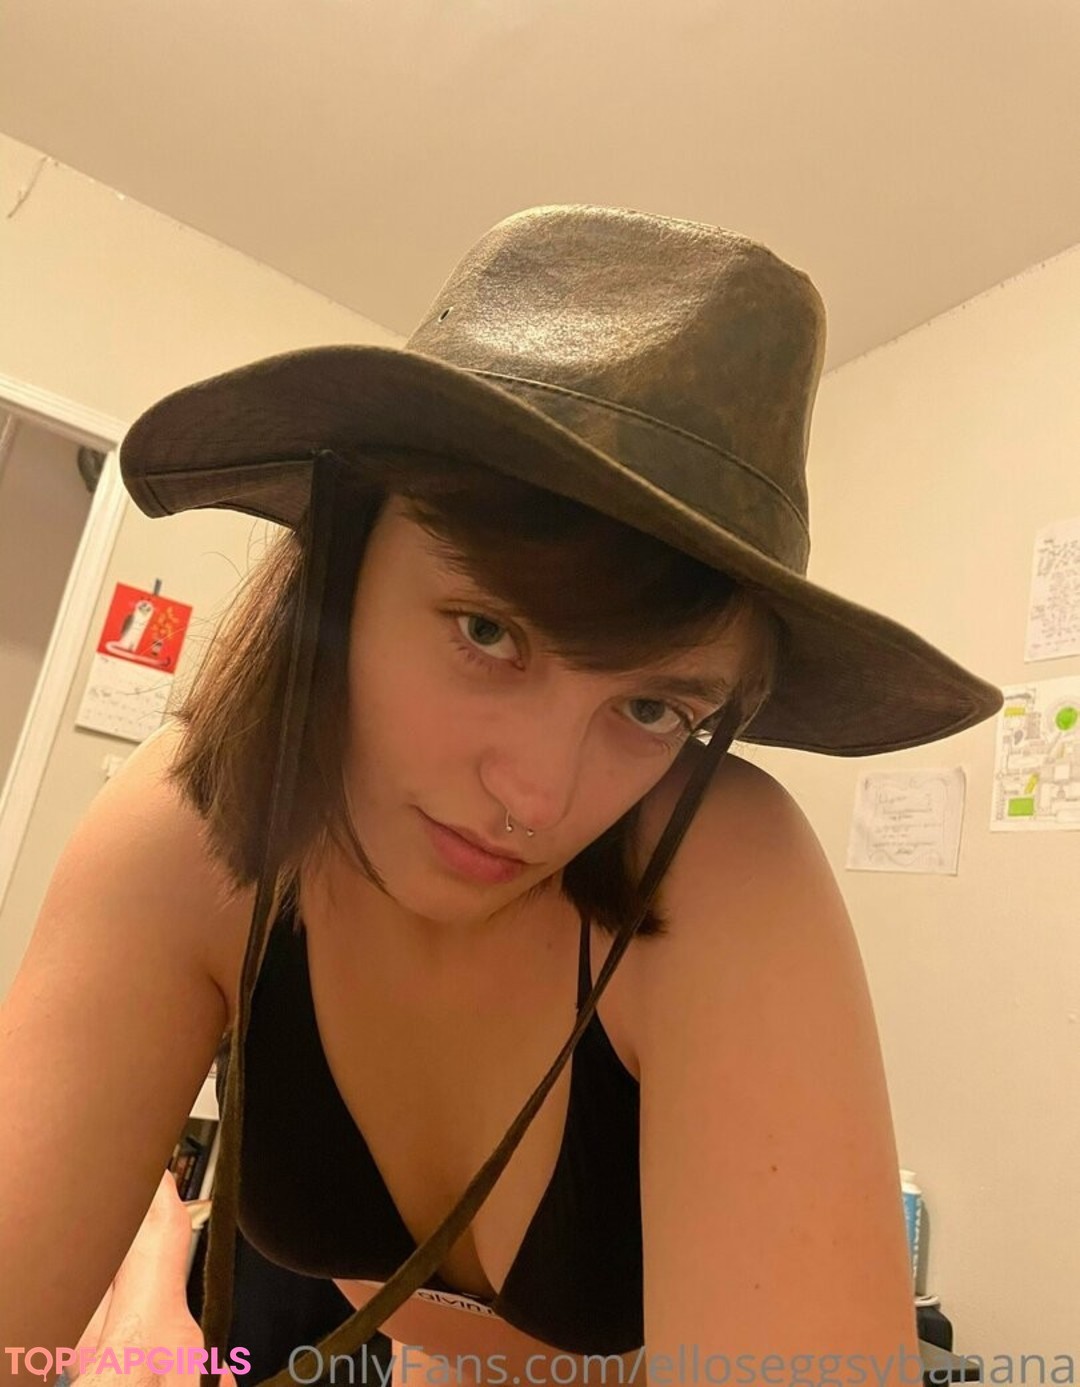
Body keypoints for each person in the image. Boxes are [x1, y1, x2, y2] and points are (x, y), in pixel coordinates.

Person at [0, 204, 1002, 1387]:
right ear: (343, 553)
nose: (535, 797)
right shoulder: (189, 836)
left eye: (652, 707)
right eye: (488, 630)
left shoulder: (720, 867)